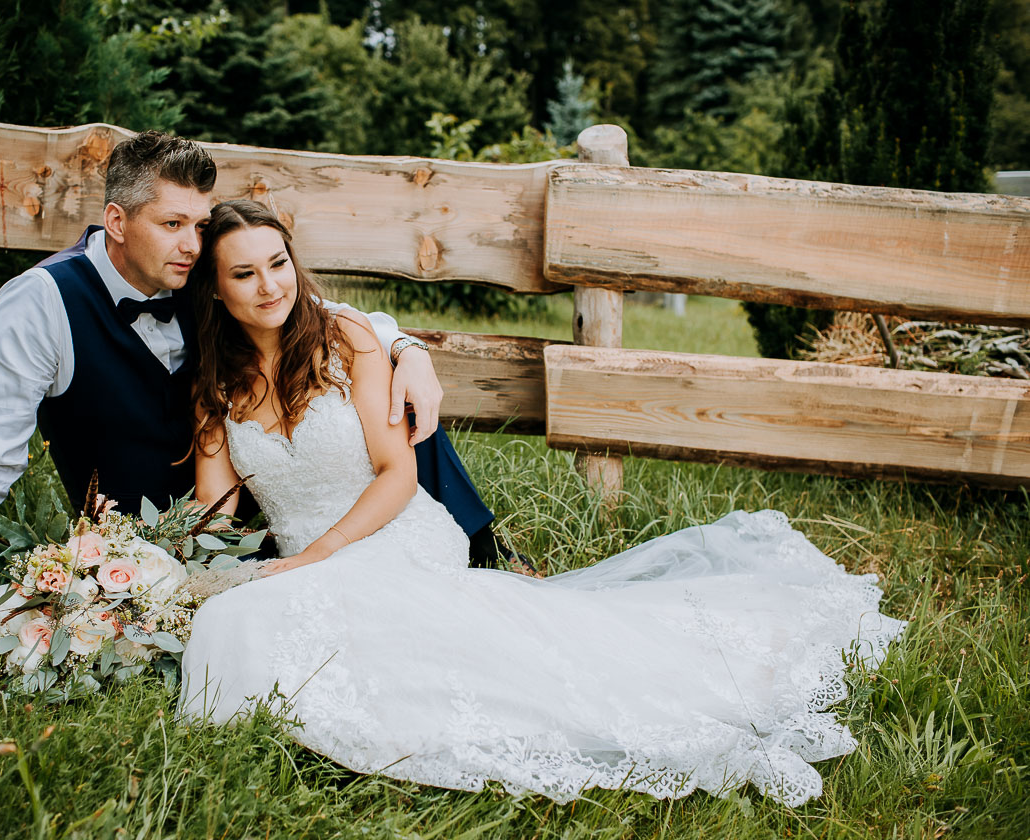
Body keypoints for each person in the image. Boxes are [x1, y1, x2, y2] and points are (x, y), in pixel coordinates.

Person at [175, 199, 907, 807]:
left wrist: (318, 555)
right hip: (306, 560)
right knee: (229, 618)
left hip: (386, 533)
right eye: (244, 273)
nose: (271, 285)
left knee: (400, 641)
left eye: (279, 264)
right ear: (215, 290)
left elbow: (398, 473)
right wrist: (160, 574)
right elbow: (215, 511)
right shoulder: (216, 382)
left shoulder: (348, 339)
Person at [0, 131, 508, 604]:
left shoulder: (205, 267)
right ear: (117, 222)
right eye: (172, 224)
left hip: (293, 524)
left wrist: (407, 348)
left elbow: (310, 314)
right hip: (168, 534)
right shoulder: (40, 304)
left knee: (391, 416)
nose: (192, 244)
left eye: (198, 225)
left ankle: (484, 551)